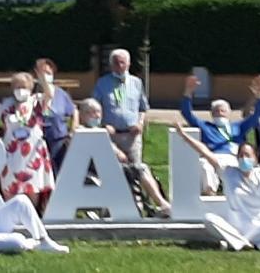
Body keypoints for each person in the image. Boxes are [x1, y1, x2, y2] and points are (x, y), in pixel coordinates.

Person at [0, 62, 56, 205]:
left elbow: (49, 94)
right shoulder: (8, 104)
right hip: (11, 153)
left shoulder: (36, 101)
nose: (20, 90)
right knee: (10, 187)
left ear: (30, 88)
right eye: (17, 87)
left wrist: (43, 79)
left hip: (33, 155)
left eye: (24, 87)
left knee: (32, 188)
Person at [78, 98, 170, 217]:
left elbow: (118, 153)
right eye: (91, 112)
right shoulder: (81, 131)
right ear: (82, 115)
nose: (96, 116)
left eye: (99, 112)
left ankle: (155, 205)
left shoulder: (101, 131)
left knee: (141, 168)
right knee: (139, 169)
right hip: (96, 170)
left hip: (113, 167)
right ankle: (161, 204)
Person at [180, 74, 260, 194]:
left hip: (234, 157)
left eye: (223, 110)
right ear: (211, 114)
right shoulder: (205, 126)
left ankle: (245, 193)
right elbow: (186, 113)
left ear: (229, 113)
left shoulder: (238, 126)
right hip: (213, 157)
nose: (220, 113)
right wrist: (188, 91)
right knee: (204, 165)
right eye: (216, 111)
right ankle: (210, 193)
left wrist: (259, 95)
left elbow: (258, 114)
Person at [91, 49, 150, 190]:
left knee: (136, 170)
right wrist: (103, 125)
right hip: (111, 136)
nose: (120, 66)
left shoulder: (136, 83)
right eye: (116, 63)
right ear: (111, 65)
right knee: (110, 171)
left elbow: (143, 108)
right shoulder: (102, 83)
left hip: (132, 136)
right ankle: (109, 206)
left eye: (123, 63)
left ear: (129, 64)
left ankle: (137, 203)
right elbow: (93, 108)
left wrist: (140, 123)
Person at [35, 58, 78, 172]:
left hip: (57, 138)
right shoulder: (32, 94)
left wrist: (72, 130)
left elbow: (73, 111)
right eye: (42, 73)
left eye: (48, 73)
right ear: (36, 74)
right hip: (36, 140)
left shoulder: (61, 94)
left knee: (57, 170)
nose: (45, 77)